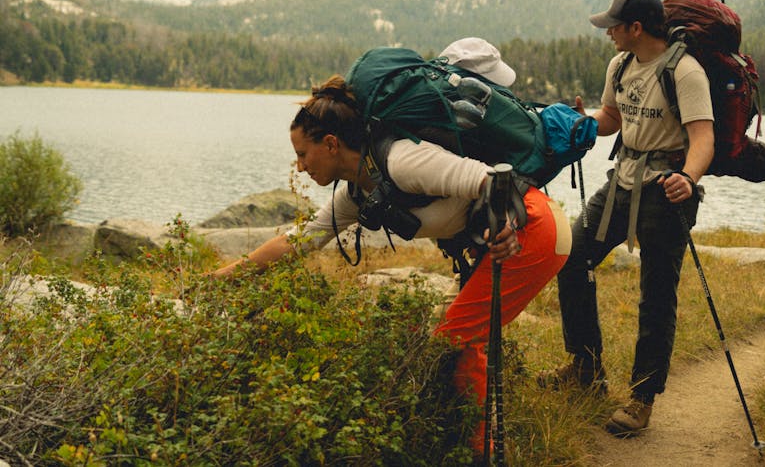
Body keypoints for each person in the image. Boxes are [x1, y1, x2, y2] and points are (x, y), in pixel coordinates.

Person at [213, 54, 571, 459]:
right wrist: (222, 277)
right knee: (460, 339)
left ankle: (479, 451)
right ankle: (471, 443)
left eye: (302, 154)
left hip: (536, 230)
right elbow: (296, 242)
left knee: (453, 340)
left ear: (330, 144)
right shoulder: (358, 192)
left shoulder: (402, 160)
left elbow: (493, 182)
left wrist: (504, 225)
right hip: (524, 234)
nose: (298, 166)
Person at [542, 0, 714, 436]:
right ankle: (585, 368)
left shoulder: (685, 72)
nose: (608, 34)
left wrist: (688, 179)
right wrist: (584, 122)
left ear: (636, 28)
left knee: (656, 294)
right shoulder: (620, 64)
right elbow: (613, 119)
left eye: (613, 26)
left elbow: (703, 138)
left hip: (667, 188)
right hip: (622, 179)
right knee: (571, 256)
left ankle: (641, 397)